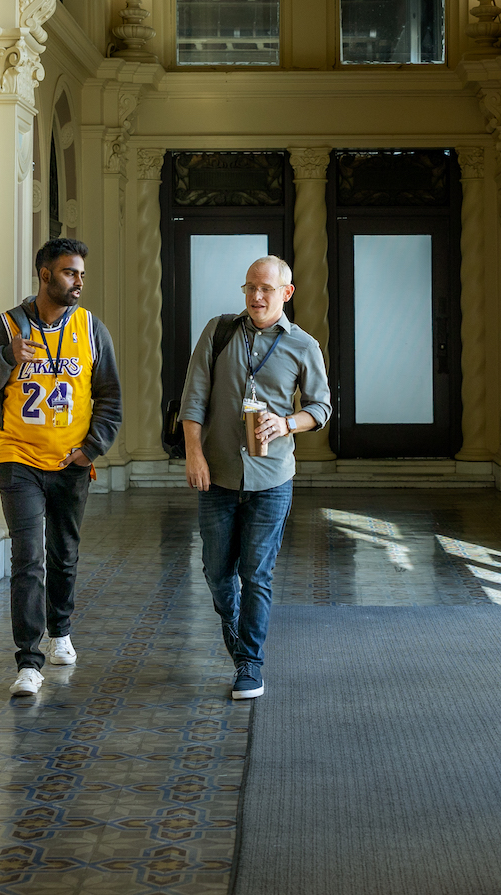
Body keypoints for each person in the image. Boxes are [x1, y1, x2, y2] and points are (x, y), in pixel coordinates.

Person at [0, 238, 123, 697]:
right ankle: (28, 662)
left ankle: (60, 632)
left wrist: (91, 449)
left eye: (82, 275)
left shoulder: (92, 329)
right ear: (45, 274)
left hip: (71, 462)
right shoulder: (7, 326)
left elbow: (109, 397)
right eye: (70, 273)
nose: (79, 282)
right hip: (18, 460)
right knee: (28, 559)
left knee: (64, 555)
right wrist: (8, 356)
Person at [179, 255, 331, 700]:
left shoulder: (304, 346)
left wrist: (286, 423)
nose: (257, 296)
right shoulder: (219, 331)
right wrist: (194, 456)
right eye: (250, 287)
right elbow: (194, 399)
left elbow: (321, 408)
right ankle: (235, 627)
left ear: (287, 293)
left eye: (266, 288)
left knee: (257, 574)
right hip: (218, 473)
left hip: (273, 478)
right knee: (216, 572)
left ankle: (250, 663)